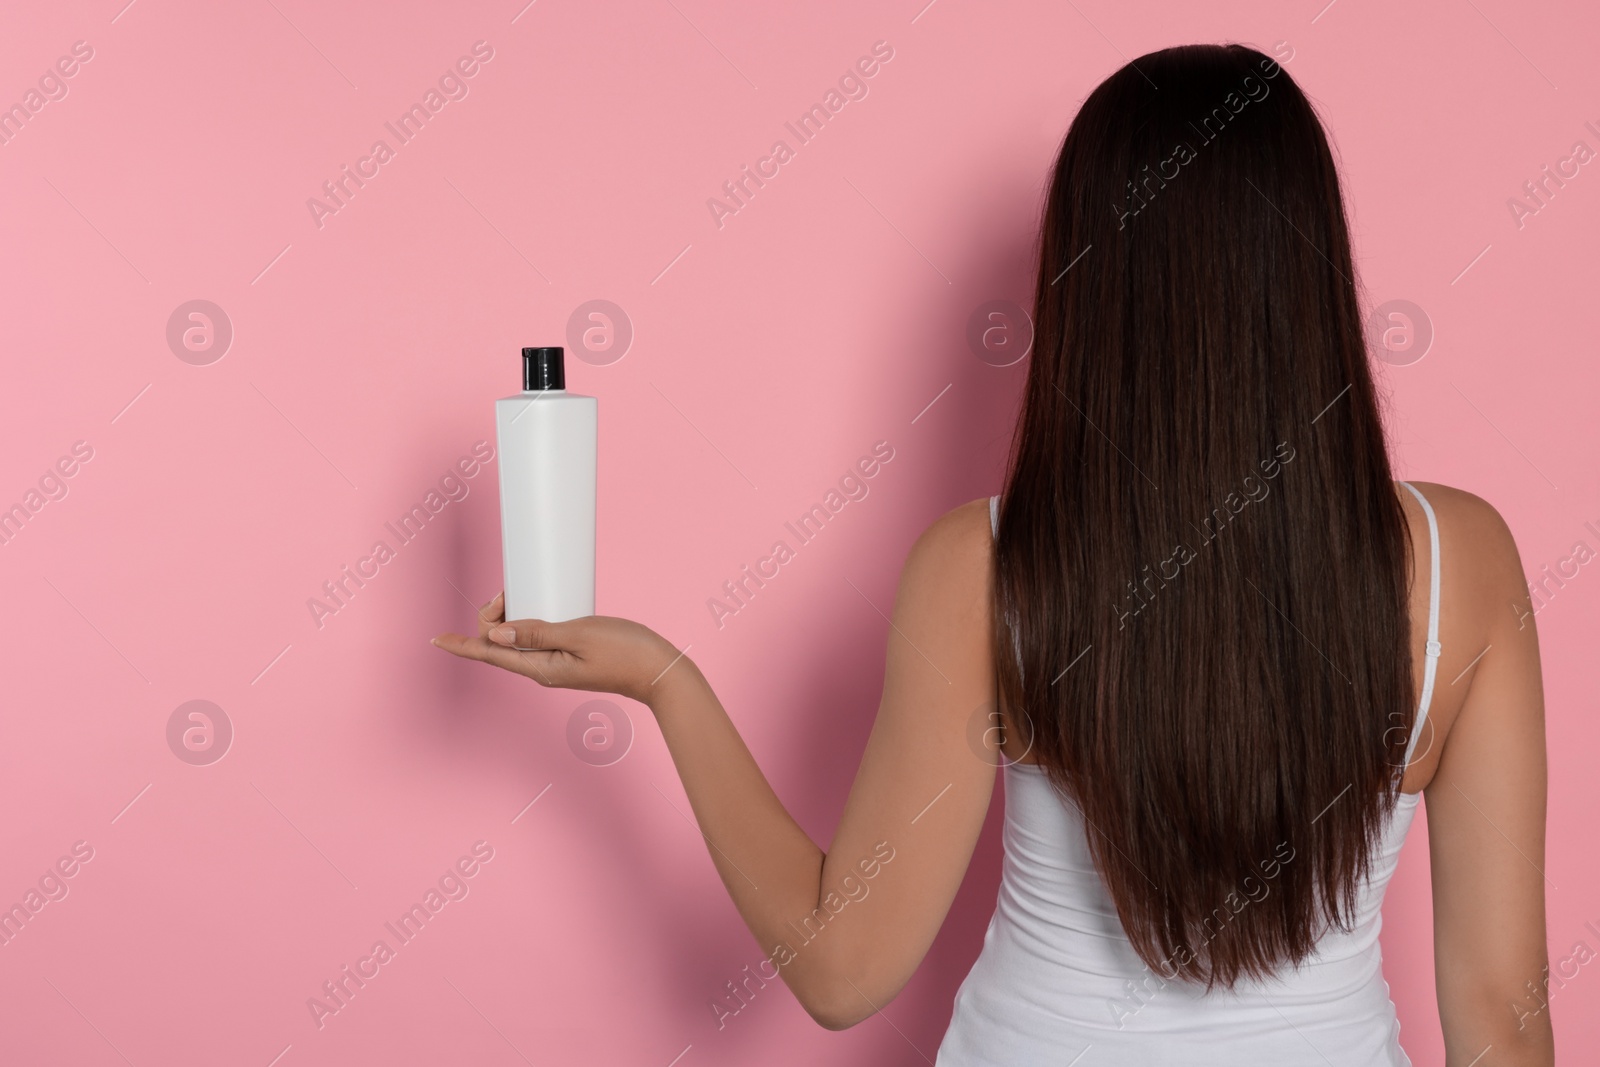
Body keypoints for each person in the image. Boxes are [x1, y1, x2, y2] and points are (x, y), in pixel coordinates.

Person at [432, 42, 1552, 1065]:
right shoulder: (1464, 563)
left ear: (1090, 278)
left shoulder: (982, 568)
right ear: (1309, 271)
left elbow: (844, 968)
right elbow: (1499, 1006)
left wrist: (667, 685)